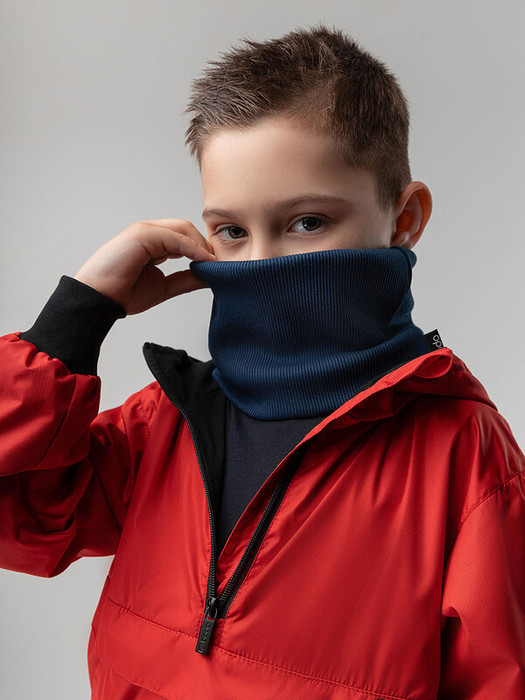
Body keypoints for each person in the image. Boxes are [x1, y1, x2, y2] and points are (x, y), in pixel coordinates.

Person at [1, 22, 524, 699]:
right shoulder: (164, 422)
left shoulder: (464, 457)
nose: (261, 263)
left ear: (404, 219)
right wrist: (77, 315)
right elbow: (19, 518)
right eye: (231, 231)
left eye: (307, 222)